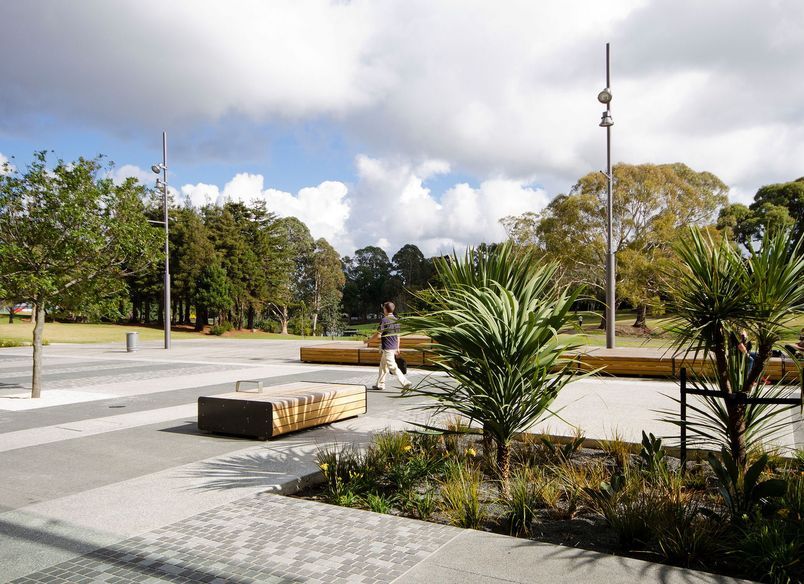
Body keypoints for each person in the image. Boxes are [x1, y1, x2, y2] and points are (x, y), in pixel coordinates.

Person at [366, 301, 411, 391]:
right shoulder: (396, 320)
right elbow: (398, 335)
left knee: (392, 367)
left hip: (387, 348)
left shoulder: (384, 320)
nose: (383, 309)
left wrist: (368, 340)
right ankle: (380, 384)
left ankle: (405, 382)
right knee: (383, 366)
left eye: (384, 308)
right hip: (392, 347)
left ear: (386, 309)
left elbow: (378, 334)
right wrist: (398, 347)